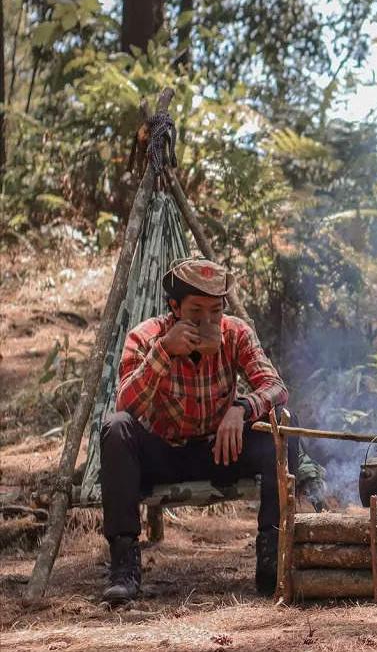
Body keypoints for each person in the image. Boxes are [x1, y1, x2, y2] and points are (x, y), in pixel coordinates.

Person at [100, 258, 290, 604]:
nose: (208, 322)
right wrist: (164, 351)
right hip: (164, 453)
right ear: (174, 309)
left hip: (220, 450)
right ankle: (124, 566)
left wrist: (242, 408)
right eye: (196, 312)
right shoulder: (145, 337)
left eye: (216, 311)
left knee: (278, 427)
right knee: (116, 429)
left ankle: (271, 557)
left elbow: (276, 387)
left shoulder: (235, 333)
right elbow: (125, 405)